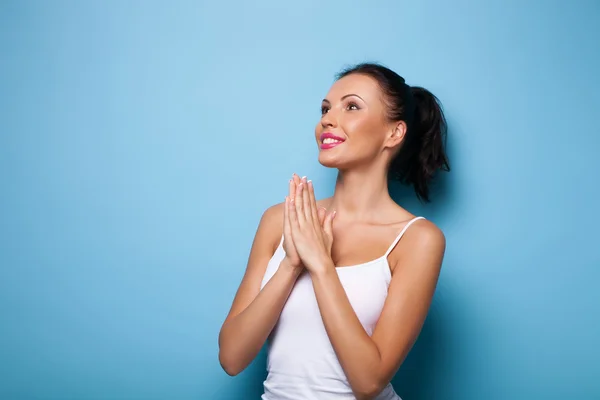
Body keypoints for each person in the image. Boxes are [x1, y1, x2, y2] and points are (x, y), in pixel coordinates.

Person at [218, 62, 450, 399]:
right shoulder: (280, 219)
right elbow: (232, 357)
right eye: (325, 109)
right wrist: (291, 264)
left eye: (351, 106)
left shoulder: (417, 239)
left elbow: (369, 383)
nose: (327, 119)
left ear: (394, 133)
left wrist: (321, 265)